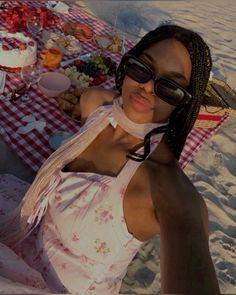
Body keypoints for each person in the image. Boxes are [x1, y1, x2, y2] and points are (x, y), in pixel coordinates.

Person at [0, 25, 220, 294]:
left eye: (170, 87)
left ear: (184, 103)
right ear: (127, 65)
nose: (147, 87)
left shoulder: (165, 187)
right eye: (142, 68)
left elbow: (189, 234)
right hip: (27, 235)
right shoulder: (98, 111)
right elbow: (99, 96)